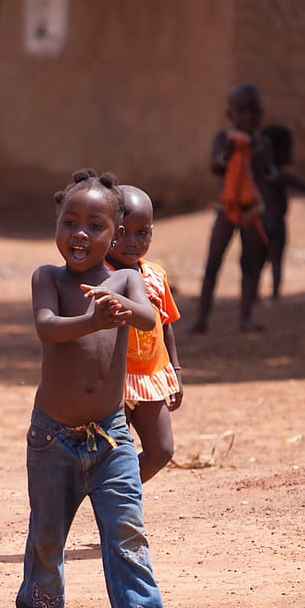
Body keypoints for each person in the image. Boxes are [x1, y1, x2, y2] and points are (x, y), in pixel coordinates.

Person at [12, 169, 180, 608]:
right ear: (57, 224)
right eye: (70, 223)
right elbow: (47, 327)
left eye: (95, 226)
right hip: (52, 438)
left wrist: (121, 304)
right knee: (47, 535)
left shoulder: (126, 278)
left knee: (127, 530)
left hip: (111, 436)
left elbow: (149, 317)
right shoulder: (49, 278)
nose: (80, 234)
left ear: (116, 233)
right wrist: (92, 319)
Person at [105, 184, 183, 481]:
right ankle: (115, 500)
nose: (132, 241)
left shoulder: (155, 275)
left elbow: (166, 325)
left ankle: (119, 491)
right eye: (122, 232)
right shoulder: (99, 277)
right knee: (113, 451)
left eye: (142, 233)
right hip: (114, 381)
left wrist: (175, 371)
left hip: (152, 376)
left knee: (161, 450)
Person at [190, 84, 273, 333]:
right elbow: (216, 165)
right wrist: (231, 152)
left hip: (251, 211)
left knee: (249, 262)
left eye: (253, 111)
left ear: (261, 114)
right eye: (241, 111)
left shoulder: (262, 144)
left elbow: (269, 175)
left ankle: (245, 316)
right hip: (226, 208)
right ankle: (202, 318)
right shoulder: (224, 140)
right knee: (213, 263)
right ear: (230, 113)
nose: (247, 117)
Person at [256, 124, 305, 301]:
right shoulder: (283, 177)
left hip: (259, 223)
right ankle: (275, 294)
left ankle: (253, 294)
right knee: (276, 261)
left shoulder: (258, 177)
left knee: (257, 261)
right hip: (277, 224)